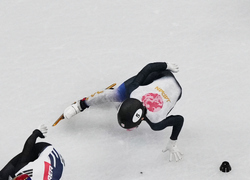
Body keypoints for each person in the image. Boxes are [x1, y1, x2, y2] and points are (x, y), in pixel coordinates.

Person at [56, 62, 185, 162]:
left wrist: (173, 142)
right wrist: (166, 65)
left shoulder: (157, 120)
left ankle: (104, 100)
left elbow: (179, 120)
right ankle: (81, 105)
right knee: (114, 95)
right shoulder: (135, 90)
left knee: (116, 96)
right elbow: (149, 68)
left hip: (170, 85)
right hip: (160, 77)